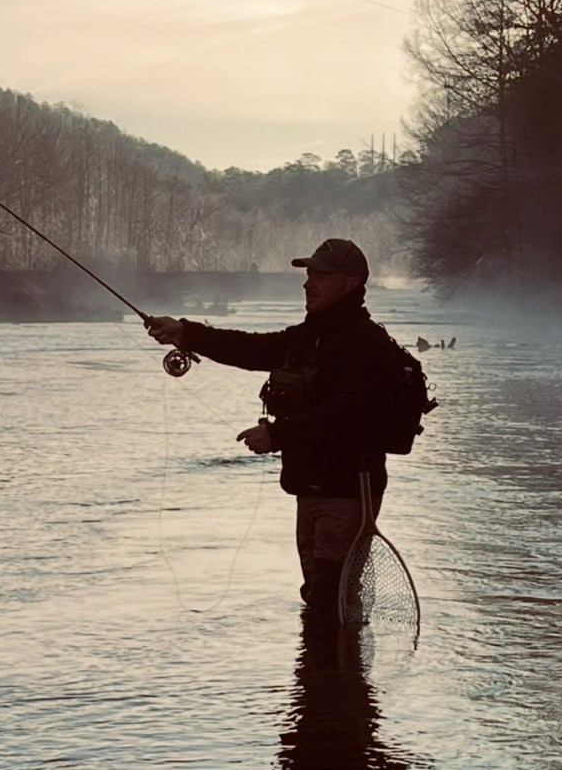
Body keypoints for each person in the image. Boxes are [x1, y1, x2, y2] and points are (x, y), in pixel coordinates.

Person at [146, 238, 391, 618]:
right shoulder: (310, 338)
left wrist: (278, 436)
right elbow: (250, 349)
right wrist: (184, 332)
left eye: (322, 276)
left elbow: (346, 413)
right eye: (309, 275)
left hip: (347, 493)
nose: (309, 283)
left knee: (329, 600)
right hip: (311, 489)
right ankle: (334, 658)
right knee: (320, 596)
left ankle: (337, 655)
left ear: (352, 283)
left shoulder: (366, 344)